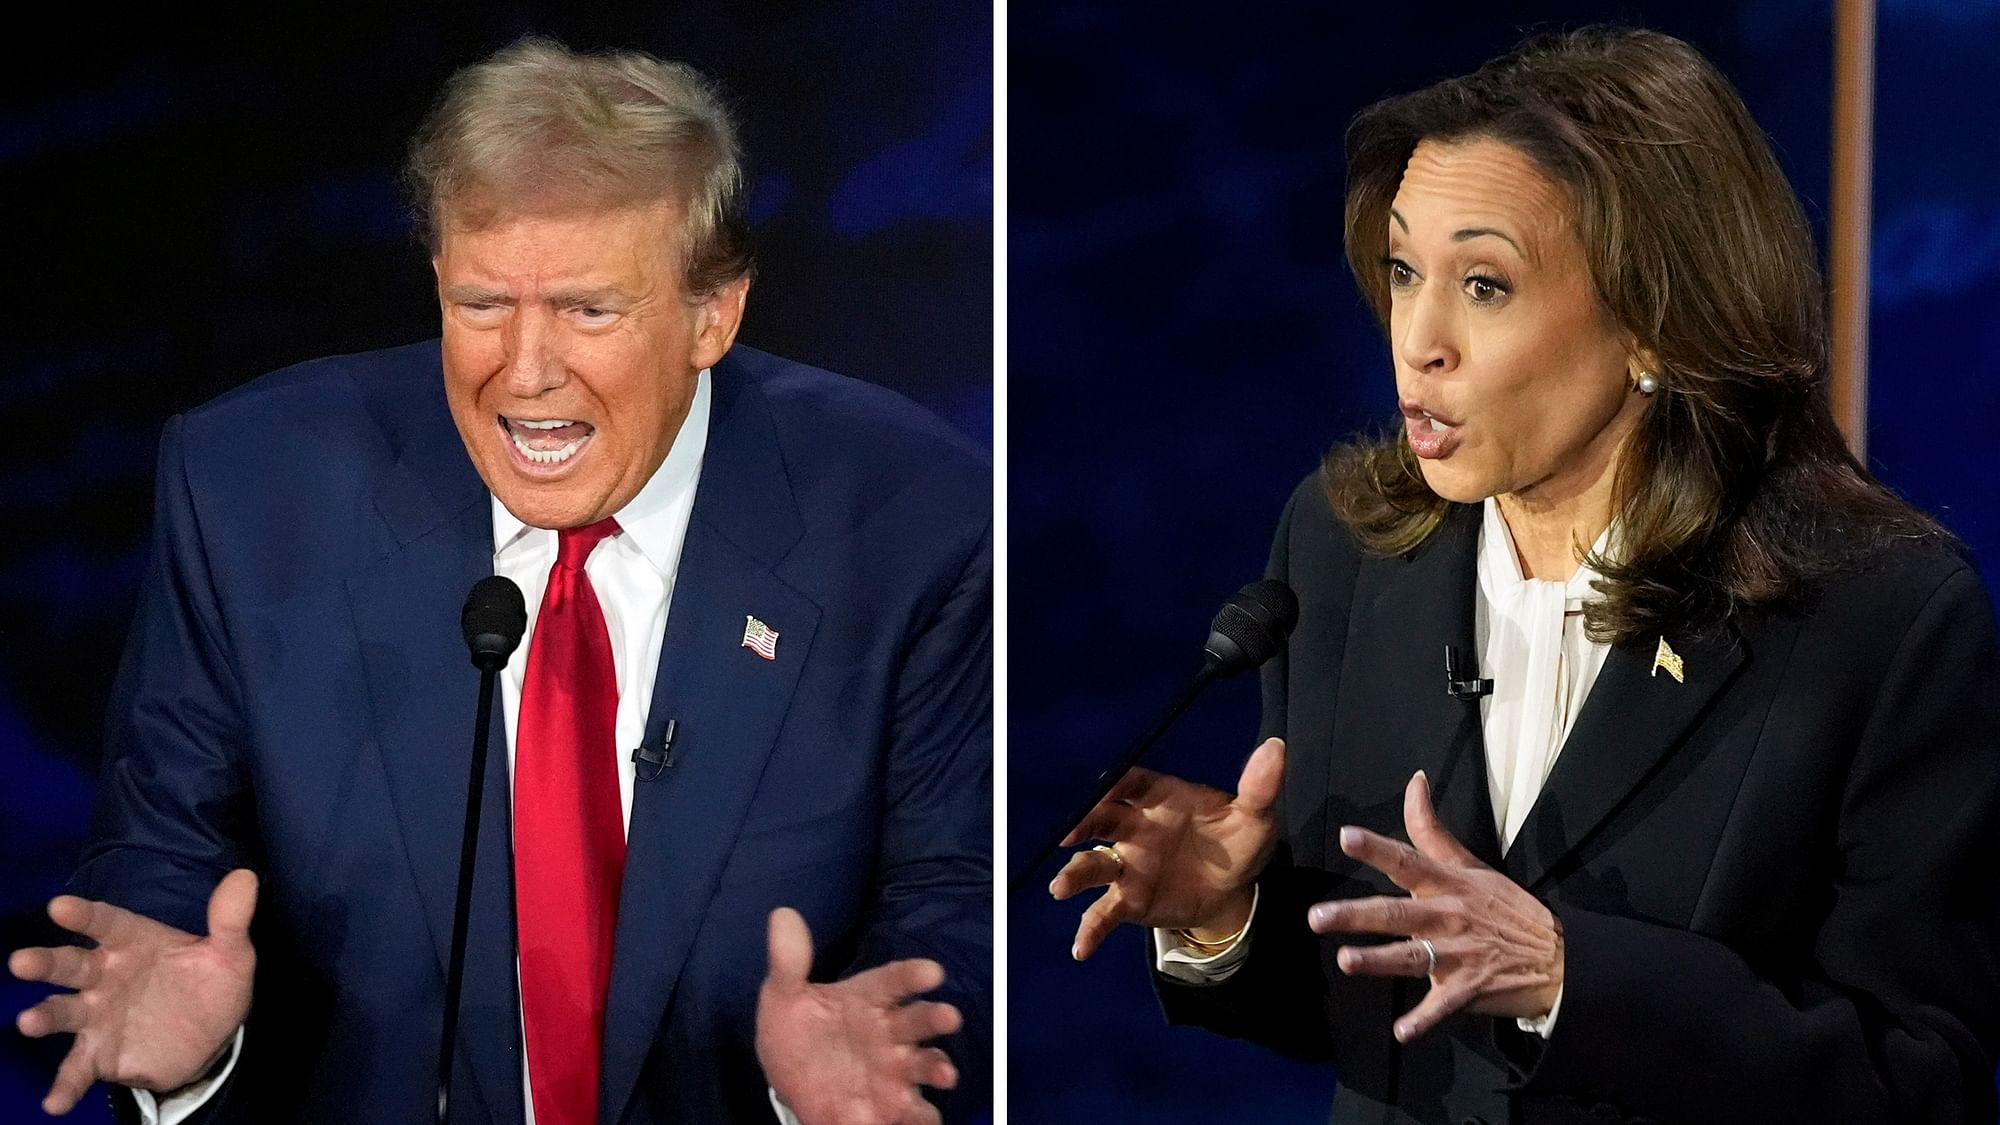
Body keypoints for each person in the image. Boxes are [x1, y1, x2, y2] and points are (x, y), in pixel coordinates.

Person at [8, 38, 990, 1125]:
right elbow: (165, 857)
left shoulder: (911, 517)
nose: (523, 374)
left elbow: (955, 896)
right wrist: (190, 1056)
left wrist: (857, 1081)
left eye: (587, 311)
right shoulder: (250, 491)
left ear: (714, 313)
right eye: (482, 305)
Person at [1049, 26, 2000, 1125]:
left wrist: (1567, 979)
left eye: (1484, 285)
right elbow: (1380, 1019)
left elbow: (1918, 1084)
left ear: (1654, 321)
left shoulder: (1875, 615)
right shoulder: (1345, 549)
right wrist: (1227, 920)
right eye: (1404, 271)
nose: (1419, 339)